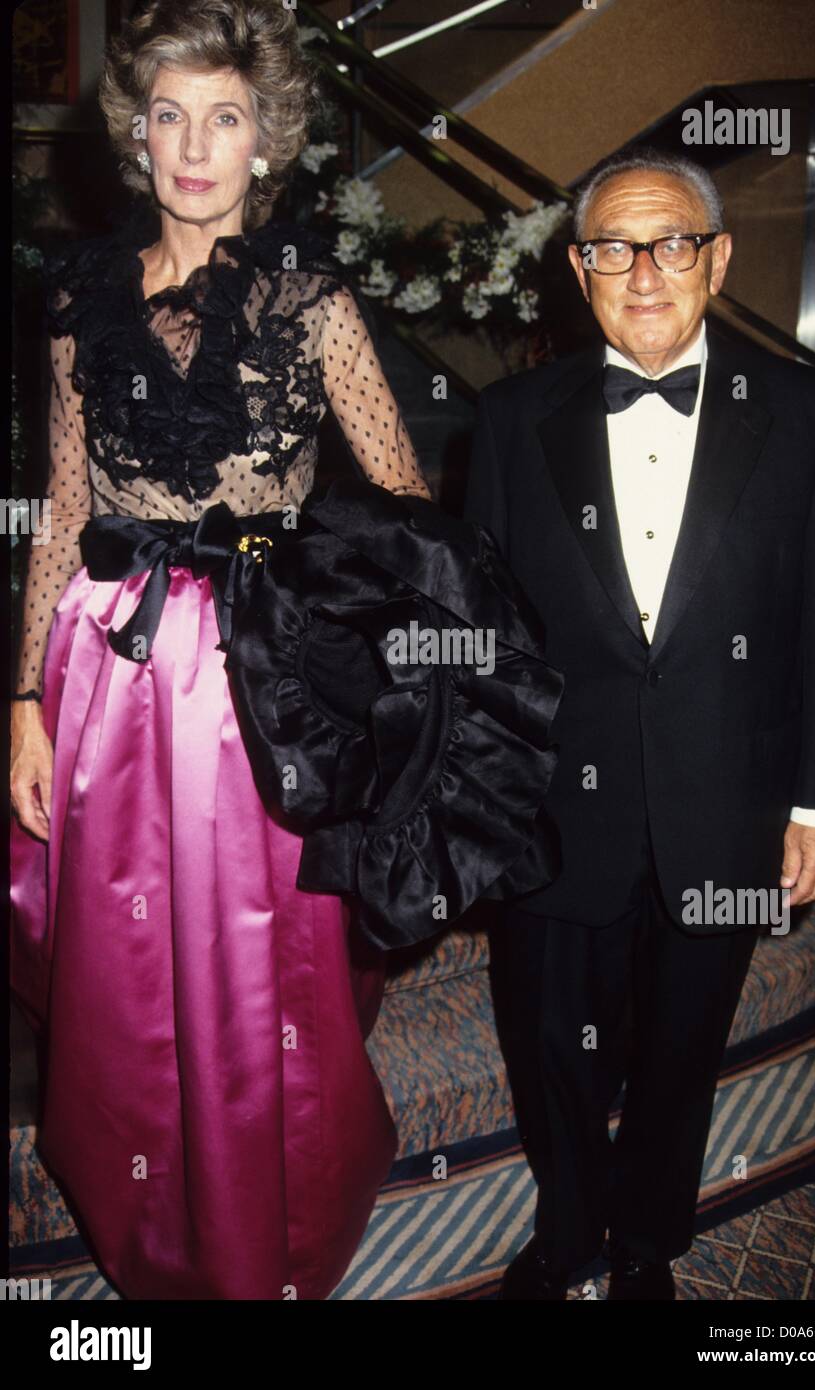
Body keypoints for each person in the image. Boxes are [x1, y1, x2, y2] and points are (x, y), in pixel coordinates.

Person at [9, 0, 436, 1301]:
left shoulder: (311, 304)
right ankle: (143, 1198)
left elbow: (404, 495)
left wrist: (362, 653)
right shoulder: (82, 305)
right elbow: (63, 509)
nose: (197, 144)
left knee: (259, 955)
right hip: (106, 662)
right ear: (139, 136)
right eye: (172, 115)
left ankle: (268, 1217)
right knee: (123, 953)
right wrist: (22, 692)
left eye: (227, 116)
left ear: (266, 139)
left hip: (258, 670)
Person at [463, 146, 815, 1300]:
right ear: (578, 271)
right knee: (547, 1044)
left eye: (673, 243)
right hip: (551, 806)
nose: (644, 274)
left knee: (685, 1043)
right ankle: (569, 1226)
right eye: (612, 250)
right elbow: (481, 632)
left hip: (727, 799)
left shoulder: (802, 410)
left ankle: (648, 1244)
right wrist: (482, 801)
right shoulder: (506, 418)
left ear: (719, 257)